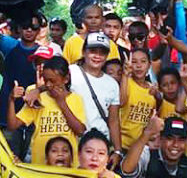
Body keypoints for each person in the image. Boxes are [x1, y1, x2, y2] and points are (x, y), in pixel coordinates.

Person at [28, 33, 123, 167]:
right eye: (93, 51)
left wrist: (117, 150)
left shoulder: (112, 84)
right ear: (84, 51)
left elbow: (113, 120)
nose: (97, 56)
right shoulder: (71, 71)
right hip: (72, 141)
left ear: (107, 55)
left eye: (102, 52)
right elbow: (52, 83)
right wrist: (37, 90)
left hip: (98, 143)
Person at [7, 56, 86, 164]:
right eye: (45, 80)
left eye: (52, 81)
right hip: (41, 165)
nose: (48, 85)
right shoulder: (38, 99)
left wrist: (61, 102)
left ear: (66, 79)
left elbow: (80, 130)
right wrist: (11, 100)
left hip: (67, 166)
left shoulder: (76, 99)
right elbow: (12, 125)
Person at [0, 13, 43, 128]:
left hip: (32, 114)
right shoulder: (10, 46)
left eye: (34, 27)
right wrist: (6, 13)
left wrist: (38, 90)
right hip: (6, 112)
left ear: (39, 30)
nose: (29, 30)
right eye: (25, 26)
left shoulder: (44, 53)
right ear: (19, 28)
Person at [119, 48, 158, 151]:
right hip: (122, 145)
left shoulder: (153, 89)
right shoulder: (126, 82)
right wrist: (125, 75)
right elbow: (121, 102)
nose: (139, 65)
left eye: (143, 61)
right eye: (134, 62)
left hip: (141, 148)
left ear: (149, 65)